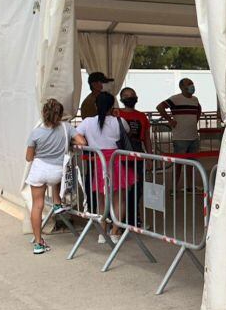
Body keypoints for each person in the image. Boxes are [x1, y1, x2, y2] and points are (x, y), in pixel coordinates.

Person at [74, 92, 135, 244]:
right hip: (116, 161)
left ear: (96, 105)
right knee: (118, 198)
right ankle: (115, 231)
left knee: (101, 199)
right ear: (112, 106)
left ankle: (102, 231)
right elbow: (128, 132)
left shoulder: (88, 122)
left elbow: (75, 134)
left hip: (99, 162)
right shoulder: (118, 121)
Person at [25, 98, 71, 254]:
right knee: (56, 180)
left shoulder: (36, 132)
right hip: (57, 173)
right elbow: (82, 141)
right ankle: (57, 202)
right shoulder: (66, 128)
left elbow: (29, 157)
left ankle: (38, 243)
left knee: (37, 205)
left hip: (39, 171)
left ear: (44, 113)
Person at [118, 86, 152, 226]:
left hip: (137, 157)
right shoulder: (116, 114)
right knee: (120, 190)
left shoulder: (141, 116)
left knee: (137, 189)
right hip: (120, 156)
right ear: (121, 99)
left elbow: (146, 138)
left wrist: (150, 157)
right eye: (127, 95)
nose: (130, 97)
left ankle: (134, 218)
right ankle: (119, 219)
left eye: (132, 95)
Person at [157, 78, 202, 155]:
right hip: (180, 138)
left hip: (194, 136)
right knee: (179, 161)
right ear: (182, 87)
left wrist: (196, 120)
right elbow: (160, 107)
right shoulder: (175, 98)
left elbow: (199, 109)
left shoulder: (195, 99)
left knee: (192, 161)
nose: (192, 86)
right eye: (189, 84)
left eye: (192, 83)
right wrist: (170, 120)